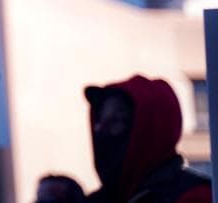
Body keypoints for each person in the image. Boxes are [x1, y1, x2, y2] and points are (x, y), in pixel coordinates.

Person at [84, 75, 210, 203]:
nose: (100, 130)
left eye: (115, 121)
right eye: (99, 121)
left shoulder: (196, 197)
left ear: (151, 127)